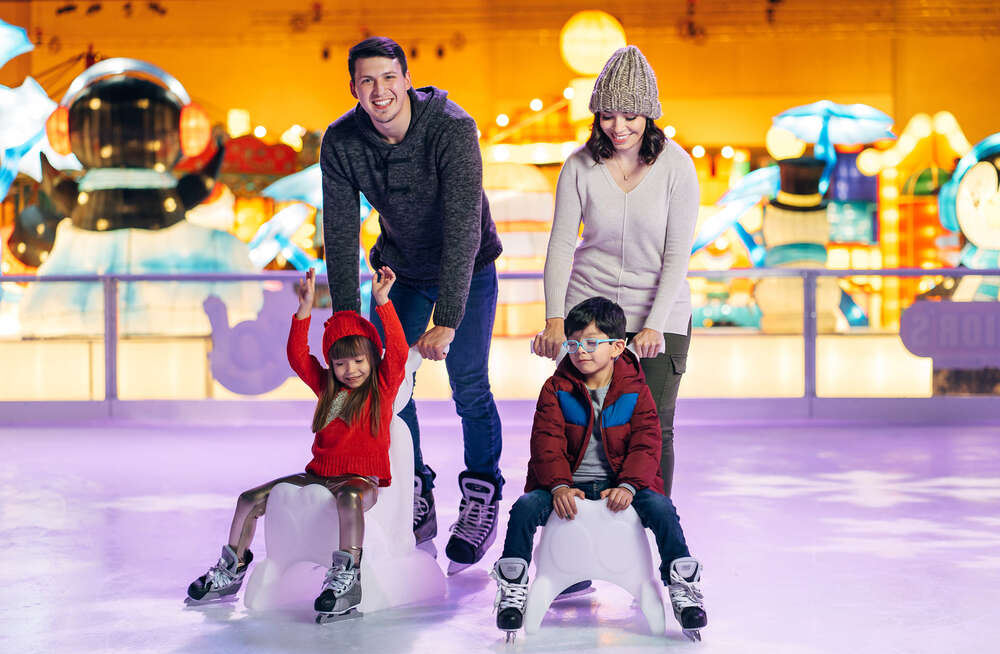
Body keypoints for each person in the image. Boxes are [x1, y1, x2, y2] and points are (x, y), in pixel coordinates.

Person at [320, 36, 504, 574]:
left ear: (406, 78)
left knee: (469, 383)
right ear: (354, 87)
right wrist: (346, 318)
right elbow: (340, 228)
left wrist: (447, 317)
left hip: (467, 267)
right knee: (392, 386)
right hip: (396, 271)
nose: (379, 91)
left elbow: (464, 226)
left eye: (388, 78)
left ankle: (481, 492)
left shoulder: (450, 125)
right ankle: (415, 486)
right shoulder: (342, 141)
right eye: (366, 81)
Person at [185, 266, 407, 622]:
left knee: (348, 498)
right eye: (340, 363)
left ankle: (348, 578)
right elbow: (297, 356)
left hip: (360, 481)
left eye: (359, 361)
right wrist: (303, 311)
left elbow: (396, 350)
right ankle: (231, 568)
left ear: (371, 358)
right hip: (318, 476)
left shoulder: (381, 387)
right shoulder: (326, 388)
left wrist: (383, 302)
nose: (350, 370)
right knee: (249, 499)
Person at [533, 45, 699, 498]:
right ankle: (575, 534)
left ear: (649, 114)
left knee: (654, 427)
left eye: (630, 114)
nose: (618, 126)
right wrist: (553, 317)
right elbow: (563, 243)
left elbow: (676, 255)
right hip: (589, 308)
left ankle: (656, 528)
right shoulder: (579, 166)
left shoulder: (678, 167)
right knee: (576, 421)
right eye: (607, 115)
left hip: (659, 311)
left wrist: (654, 325)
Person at [492, 297, 707, 639]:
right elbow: (546, 442)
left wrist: (630, 486)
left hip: (622, 484)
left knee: (662, 509)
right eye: (574, 343)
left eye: (592, 342)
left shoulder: (635, 389)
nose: (581, 351)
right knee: (524, 508)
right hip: (564, 485)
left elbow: (646, 442)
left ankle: (681, 584)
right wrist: (559, 486)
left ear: (618, 347)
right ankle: (513, 588)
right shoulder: (555, 388)